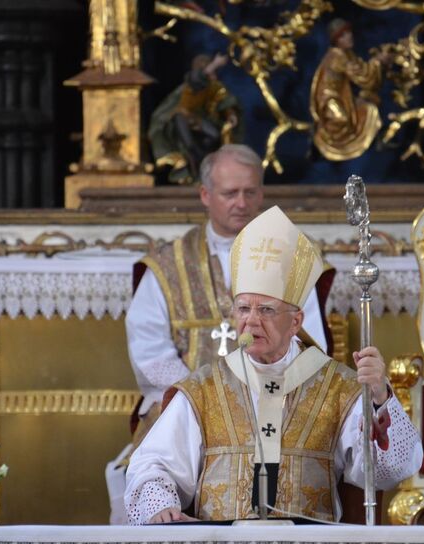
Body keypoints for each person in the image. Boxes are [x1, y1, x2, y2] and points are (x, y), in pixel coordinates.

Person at [124, 206, 422, 524]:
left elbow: (390, 471)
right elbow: (152, 465)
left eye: (265, 310)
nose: (251, 321)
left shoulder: (339, 387)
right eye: (242, 309)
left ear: (295, 322)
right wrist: (161, 507)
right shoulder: (204, 389)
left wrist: (378, 400)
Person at [106, 145, 330, 523]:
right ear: (205, 195)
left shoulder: (290, 261)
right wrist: (204, 399)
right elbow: (149, 351)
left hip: (275, 401)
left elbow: (311, 344)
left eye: (251, 192)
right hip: (184, 404)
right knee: (150, 472)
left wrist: (260, 393)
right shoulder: (166, 266)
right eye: (230, 193)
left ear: (261, 194)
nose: (241, 203)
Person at [148, 53, 242, 184]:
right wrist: (215, 64)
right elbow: (196, 80)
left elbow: (224, 99)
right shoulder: (191, 84)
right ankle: (194, 172)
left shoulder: (214, 86)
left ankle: (205, 170)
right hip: (181, 118)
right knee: (190, 146)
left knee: (214, 136)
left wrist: (230, 114)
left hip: (200, 121)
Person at [310, 19, 386, 161]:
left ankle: (371, 147)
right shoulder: (336, 56)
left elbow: (363, 74)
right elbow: (362, 76)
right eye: (343, 35)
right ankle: (322, 141)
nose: (349, 36)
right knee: (341, 119)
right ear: (337, 40)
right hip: (328, 100)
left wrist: (377, 64)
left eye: (349, 32)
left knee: (370, 110)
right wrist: (377, 62)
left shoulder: (347, 54)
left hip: (344, 99)